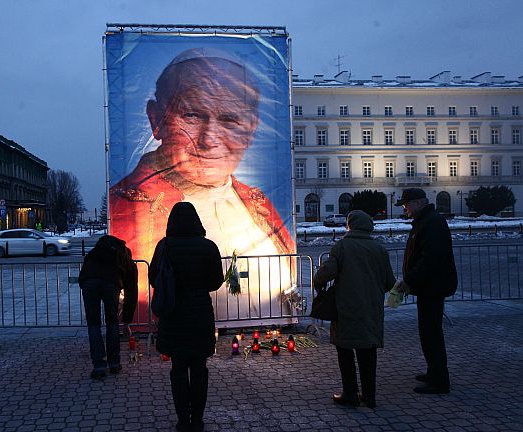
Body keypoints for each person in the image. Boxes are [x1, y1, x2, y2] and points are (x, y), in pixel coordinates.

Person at [110, 49, 295, 321]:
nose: (209, 139)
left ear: (252, 128)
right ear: (156, 118)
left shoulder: (258, 203)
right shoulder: (127, 206)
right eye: (193, 116)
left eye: (230, 119)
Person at [149, 202, 224, 432]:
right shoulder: (208, 247)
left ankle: (183, 420)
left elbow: (154, 278)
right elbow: (216, 281)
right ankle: (198, 421)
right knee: (200, 369)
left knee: (178, 369)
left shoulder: (164, 246)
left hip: (174, 317)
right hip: (200, 315)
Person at [313, 210, 396, 409]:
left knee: (345, 350)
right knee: (368, 352)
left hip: (346, 307)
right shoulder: (379, 249)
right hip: (371, 309)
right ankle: (370, 396)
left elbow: (326, 273)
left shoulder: (342, 247)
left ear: (349, 225)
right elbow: (389, 283)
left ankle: (350, 394)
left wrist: (318, 281)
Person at [395, 188, 457, 394]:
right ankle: (434, 372)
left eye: (407, 204)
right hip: (428, 287)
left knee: (431, 334)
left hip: (432, 287)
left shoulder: (432, 222)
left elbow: (431, 259)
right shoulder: (426, 221)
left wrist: (410, 279)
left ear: (419, 203)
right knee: (429, 333)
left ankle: (439, 380)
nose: (405, 209)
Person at [78, 235, 138, 379]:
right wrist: (127, 319)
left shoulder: (95, 252)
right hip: (111, 284)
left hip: (89, 283)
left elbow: (84, 272)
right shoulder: (123, 255)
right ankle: (114, 364)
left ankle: (99, 366)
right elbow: (131, 289)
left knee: (93, 324)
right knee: (112, 323)